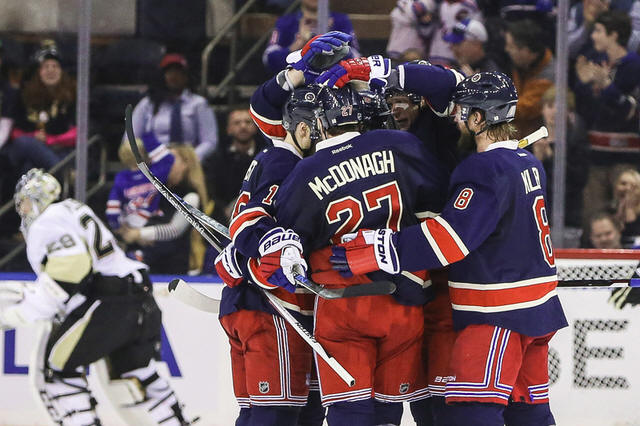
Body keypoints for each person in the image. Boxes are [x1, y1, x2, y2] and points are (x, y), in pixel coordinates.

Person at [329, 69, 568, 426]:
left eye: (464, 111)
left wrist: (381, 247)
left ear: (479, 118)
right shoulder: (529, 163)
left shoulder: (484, 168)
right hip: (537, 310)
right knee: (528, 415)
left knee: (470, 413)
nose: (457, 117)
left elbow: (450, 239)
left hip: (497, 315)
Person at [269, 69, 451, 424]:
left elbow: (288, 239)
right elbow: (437, 208)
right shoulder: (401, 145)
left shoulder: (305, 173)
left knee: (348, 412)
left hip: (343, 305)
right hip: (403, 301)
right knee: (388, 412)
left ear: (321, 123)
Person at [213, 33, 355, 425]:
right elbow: (252, 221)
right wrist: (255, 257)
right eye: (325, 130)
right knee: (276, 416)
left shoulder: (282, 153)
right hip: (269, 305)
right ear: (304, 129)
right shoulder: (284, 162)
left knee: (294, 413)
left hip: (265, 303)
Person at [0, 169, 194, 425]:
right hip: (139, 295)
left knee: (57, 371)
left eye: (24, 202)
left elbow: (71, 267)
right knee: (137, 374)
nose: (22, 210)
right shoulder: (73, 208)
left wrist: (21, 311)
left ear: (37, 199)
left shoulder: (47, 220)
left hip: (109, 301)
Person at [574, 11, 640, 227]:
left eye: (598, 31)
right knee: (592, 218)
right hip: (596, 156)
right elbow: (588, 112)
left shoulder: (633, 66)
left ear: (614, 35)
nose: (593, 36)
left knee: (626, 214)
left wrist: (607, 87)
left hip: (626, 157)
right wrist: (583, 85)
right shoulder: (598, 64)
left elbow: (629, 110)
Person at [119, 143, 209, 274]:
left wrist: (139, 234)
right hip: (144, 262)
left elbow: (174, 230)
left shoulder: (191, 196)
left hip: (172, 269)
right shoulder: (154, 191)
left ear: (185, 164)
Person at [128, 53, 219, 161]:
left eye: (178, 72)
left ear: (186, 77)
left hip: (189, 161)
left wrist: (189, 160)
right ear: (161, 77)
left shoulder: (199, 104)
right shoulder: (147, 104)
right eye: (169, 72)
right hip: (153, 160)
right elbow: (130, 139)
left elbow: (209, 141)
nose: (173, 76)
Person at [7, 41, 76, 173]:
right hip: (28, 147)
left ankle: (57, 173)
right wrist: (34, 137)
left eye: (55, 66)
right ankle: (63, 173)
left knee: (29, 167)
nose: (51, 70)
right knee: (25, 143)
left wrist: (50, 140)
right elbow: (16, 133)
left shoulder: (72, 96)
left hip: (60, 149)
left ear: (62, 71)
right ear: (38, 72)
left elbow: (77, 134)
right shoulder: (24, 96)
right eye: (46, 67)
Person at [535, 86, 589, 237]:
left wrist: (551, 157)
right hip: (538, 219)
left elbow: (578, 180)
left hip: (568, 218)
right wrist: (536, 161)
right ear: (542, 109)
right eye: (549, 106)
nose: (554, 112)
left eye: (560, 107)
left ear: (569, 112)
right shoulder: (533, 141)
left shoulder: (576, 142)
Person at [262, 0, 360, 74]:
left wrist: (332, 43)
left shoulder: (341, 21)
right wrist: (299, 43)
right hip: (296, 84)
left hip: (332, 84)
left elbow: (356, 59)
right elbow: (269, 60)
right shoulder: (285, 22)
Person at [204, 106, 262, 225]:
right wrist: (224, 209)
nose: (243, 126)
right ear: (229, 129)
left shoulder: (266, 158)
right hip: (222, 219)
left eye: (247, 122)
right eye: (237, 123)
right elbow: (212, 193)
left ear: (255, 127)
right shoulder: (216, 159)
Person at [503, 19, 555, 138]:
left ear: (526, 51)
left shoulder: (548, 78)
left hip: (535, 140)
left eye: (511, 46)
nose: (506, 49)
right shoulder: (521, 65)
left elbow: (522, 109)